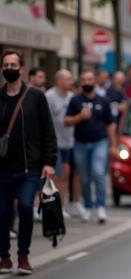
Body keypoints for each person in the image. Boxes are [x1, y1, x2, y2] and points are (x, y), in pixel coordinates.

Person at [0, 50, 57, 275]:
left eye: (13, 65)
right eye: (5, 65)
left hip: (30, 168)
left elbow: (47, 130)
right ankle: (4, 257)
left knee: (25, 207)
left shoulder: (35, 96)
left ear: (22, 69)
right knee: (2, 213)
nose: (9, 69)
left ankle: (23, 255)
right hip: (3, 169)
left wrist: (49, 161)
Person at [65, 70, 117, 223]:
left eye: (89, 79)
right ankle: (88, 206)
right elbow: (66, 121)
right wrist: (79, 117)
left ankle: (101, 206)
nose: (87, 82)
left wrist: (113, 144)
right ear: (80, 83)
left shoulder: (103, 101)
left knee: (98, 172)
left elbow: (111, 124)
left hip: (99, 142)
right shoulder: (75, 101)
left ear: (94, 81)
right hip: (80, 143)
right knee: (85, 177)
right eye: (84, 80)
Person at [45, 69, 75, 218]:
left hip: (67, 142)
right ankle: (50, 207)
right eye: (68, 78)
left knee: (65, 175)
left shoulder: (71, 96)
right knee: (54, 176)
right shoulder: (49, 96)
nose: (71, 81)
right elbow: (44, 120)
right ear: (59, 81)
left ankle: (61, 206)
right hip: (54, 143)